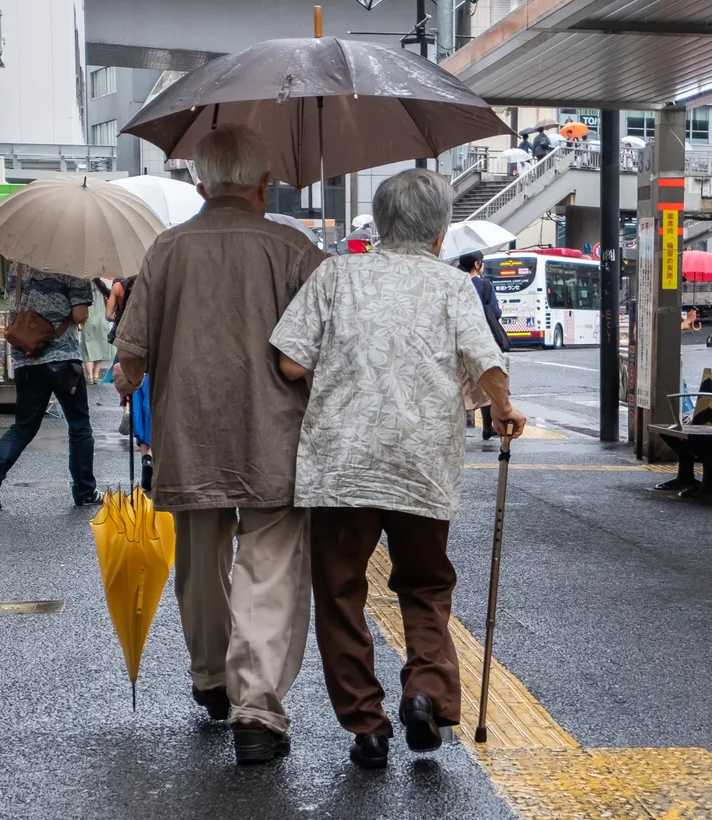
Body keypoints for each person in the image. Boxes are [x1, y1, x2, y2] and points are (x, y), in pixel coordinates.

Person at [269, 168, 528, 770]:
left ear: (380, 226)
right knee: (426, 584)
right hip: (421, 461)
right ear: (440, 234)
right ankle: (426, 695)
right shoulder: (452, 287)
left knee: (339, 593)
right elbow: (485, 361)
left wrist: (341, 377)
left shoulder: (335, 275)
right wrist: (504, 408)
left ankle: (367, 725)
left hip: (341, 461)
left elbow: (286, 363)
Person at [113, 123, 327, 766]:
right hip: (276, 436)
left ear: (201, 184)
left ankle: (210, 678)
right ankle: (256, 708)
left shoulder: (167, 249)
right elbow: (324, 346)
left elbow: (132, 356)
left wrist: (131, 379)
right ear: (265, 183)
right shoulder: (295, 249)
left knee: (200, 560)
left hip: (188, 433)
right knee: (270, 567)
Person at [0, 262, 98, 510]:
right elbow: (79, 315)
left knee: (24, 426)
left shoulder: (17, 267)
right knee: (79, 426)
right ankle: (85, 490)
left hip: (26, 357)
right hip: (62, 358)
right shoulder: (72, 265)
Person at [105, 277, 152, 490]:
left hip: (130, 350)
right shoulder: (156, 281)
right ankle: (156, 459)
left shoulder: (121, 286)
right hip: (156, 356)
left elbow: (108, 315)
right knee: (155, 407)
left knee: (135, 397)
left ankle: (145, 455)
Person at [458, 251, 510, 439]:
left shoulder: (454, 283)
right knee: (485, 382)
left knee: (460, 386)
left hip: (457, 341)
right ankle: (487, 427)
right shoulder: (484, 285)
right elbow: (494, 312)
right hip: (481, 341)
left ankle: (457, 428)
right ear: (477, 264)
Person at [81, 280, 118, 383]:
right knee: (99, 347)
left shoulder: (83, 284)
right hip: (101, 320)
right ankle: (96, 374)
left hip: (87, 319)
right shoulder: (101, 284)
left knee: (87, 348)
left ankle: (90, 376)